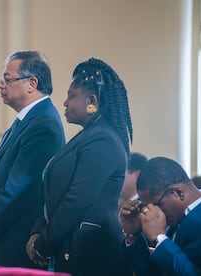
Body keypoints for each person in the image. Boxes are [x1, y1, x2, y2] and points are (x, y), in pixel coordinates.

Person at [26, 57, 133, 275]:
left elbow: (77, 200)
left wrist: (44, 244)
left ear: (91, 100)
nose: (65, 103)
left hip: (92, 254)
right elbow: (52, 196)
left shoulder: (103, 139)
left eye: (71, 96)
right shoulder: (88, 136)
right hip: (74, 246)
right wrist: (38, 230)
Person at [0, 50, 65, 268]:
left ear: (31, 83)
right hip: (5, 239)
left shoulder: (43, 124)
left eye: (7, 79)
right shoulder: (24, 120)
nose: (0, 85)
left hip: (19, 243)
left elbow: (18, 190)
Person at [119, 156, 201, 275]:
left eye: (156, 205)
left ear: (178, 193)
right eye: (146, 207)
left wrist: (160, 239)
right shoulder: (174, 222)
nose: (151, 212)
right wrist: (133, 236)